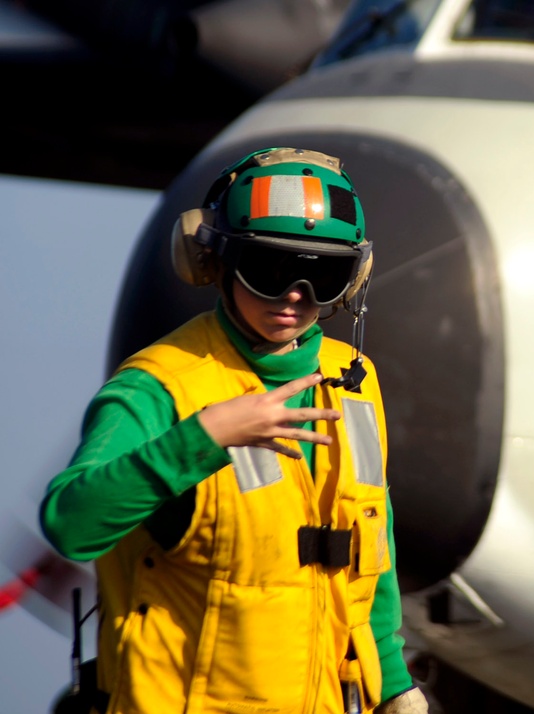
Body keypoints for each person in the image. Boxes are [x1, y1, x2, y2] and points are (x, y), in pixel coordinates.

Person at [39, 147, 428, 714]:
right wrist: (204, 437)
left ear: (354, 278)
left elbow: (371, 540)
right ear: (214, 261)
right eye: (270, 270)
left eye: (322, 273)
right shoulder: (158, 387)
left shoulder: (354, 381)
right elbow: (70, 524)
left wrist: (392, 682)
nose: (296, 296)